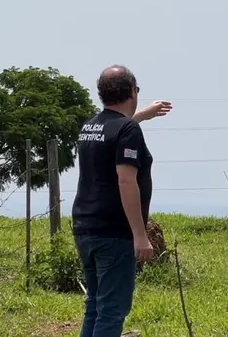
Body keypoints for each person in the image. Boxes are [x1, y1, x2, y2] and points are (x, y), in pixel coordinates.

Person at [71, 65, 172, 337]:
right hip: (114, 232)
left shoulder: (90, 126)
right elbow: (126, 181)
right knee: (113, 310)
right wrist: (140, 235)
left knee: (95, 304)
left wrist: (141, 116)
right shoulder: (128, 131)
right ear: (130, 91)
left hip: (85, 226)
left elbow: (112, 131)